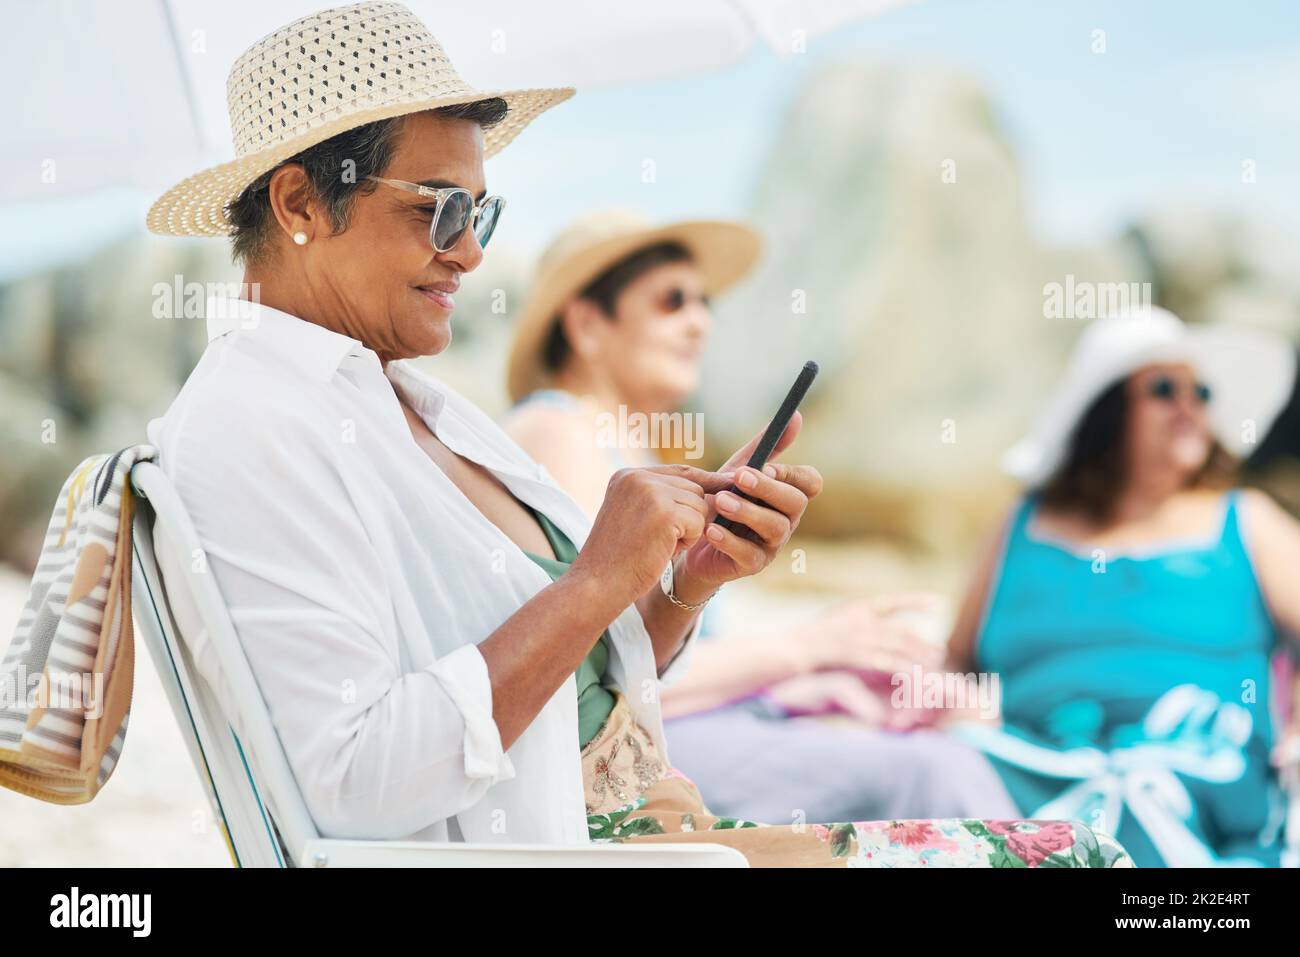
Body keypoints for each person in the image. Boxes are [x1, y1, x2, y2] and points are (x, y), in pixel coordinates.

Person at [144, 2, 1130, 867]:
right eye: (440, 208)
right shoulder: (255, 431)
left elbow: (572, 700)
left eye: (482, 207)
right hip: (595, 857)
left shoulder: (408, 407)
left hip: (653, 833)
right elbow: (361, 783)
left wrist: (681, 585)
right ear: (300, 203)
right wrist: (593, 581)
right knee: (1080, 859)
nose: (473, 248)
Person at [502, 210, 1038, 825]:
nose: (700, 322)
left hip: (686, 727)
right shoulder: (561, 428)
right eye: (672, 301)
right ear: (587, 323)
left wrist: (816, 682)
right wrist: (808, 648)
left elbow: (652, 647)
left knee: (941, 741)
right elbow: (606, 666)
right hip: (631, 752)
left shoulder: (627, 448)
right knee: (936, 769)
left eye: (706, 304)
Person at [944, 306, 1300, 867]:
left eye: (1201, 391)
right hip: (1033, 768)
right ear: (1107, 413)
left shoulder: (1245, 520)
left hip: (1197, 769)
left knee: (1138, 792)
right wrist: (957, 703)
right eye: (1164, 388)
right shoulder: (1021, 525)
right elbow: (955, 660)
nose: (1190, 406)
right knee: (936, 765)